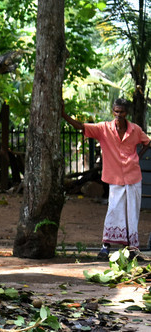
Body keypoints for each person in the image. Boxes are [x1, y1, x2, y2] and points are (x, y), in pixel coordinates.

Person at [62, 98, 150, 260]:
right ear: (112, 111)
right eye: (116, 111)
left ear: (127, 112)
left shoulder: (135, 130)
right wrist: (64, 115)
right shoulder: (104, 129)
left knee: (132, 212)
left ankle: (132, 250)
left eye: (121, 112)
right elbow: (82, 127)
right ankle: (105, 247)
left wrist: (137, 156)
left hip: (133, 176)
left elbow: (147, 142)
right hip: (115, 177)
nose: (118, 115)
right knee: (114, 210)